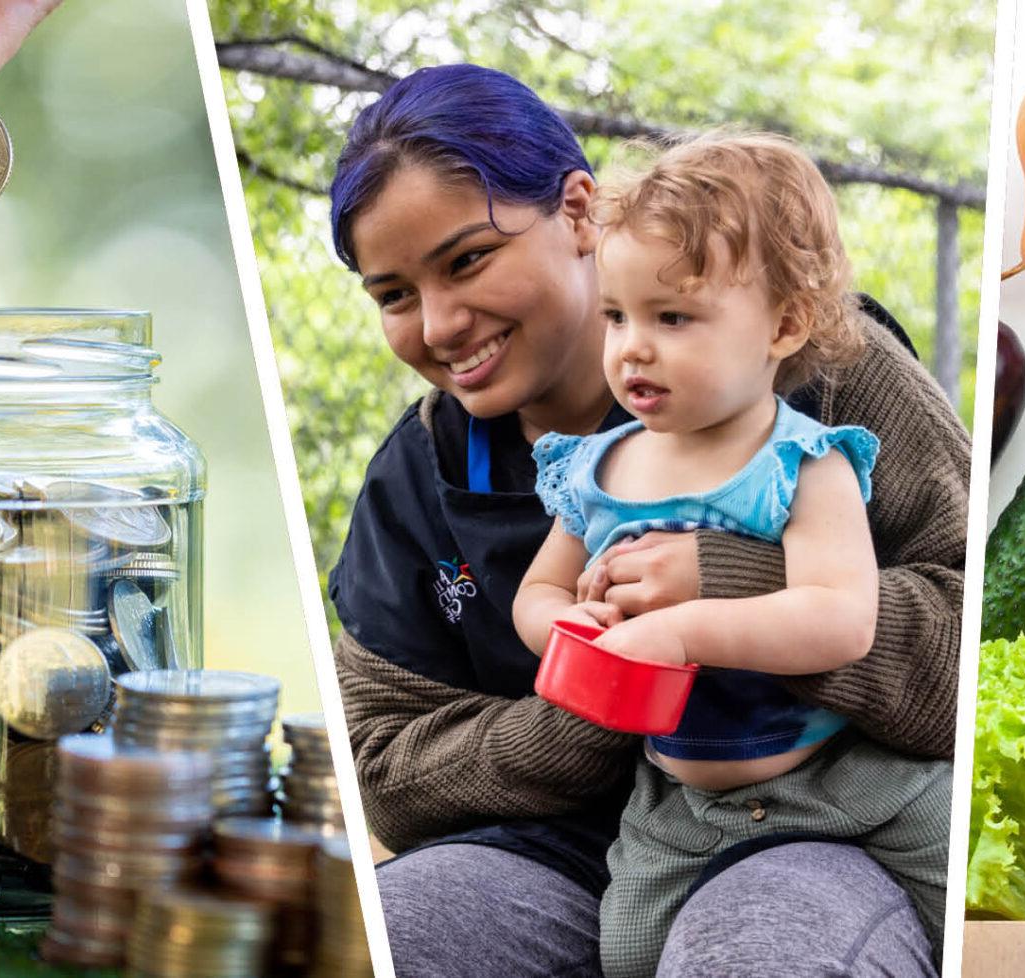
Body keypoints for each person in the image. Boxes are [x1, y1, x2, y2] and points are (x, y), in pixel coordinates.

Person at [325, 65, 966, 977]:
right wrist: (610, 685)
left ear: (580, 214)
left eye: (469, 259)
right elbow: (389, 773)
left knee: (755, 950)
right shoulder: (418, 481)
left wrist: (734, 581)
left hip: (830, 823)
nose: (438, 324)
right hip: (577, 851)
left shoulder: (827, 376)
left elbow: (970, 640)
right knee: (382, 939)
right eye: (393, 294)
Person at [510, 133, 946, 978]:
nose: (633, 346)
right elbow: (537, 590)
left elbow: (843, 619)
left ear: (785, 324)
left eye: (672, 317)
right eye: (617, 315)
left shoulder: (804, 463)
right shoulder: (597, 467)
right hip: (679, 807)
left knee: (961, 900)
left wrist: (685, 633)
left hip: (847, 787)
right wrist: (572, 623)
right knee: (626, 954)